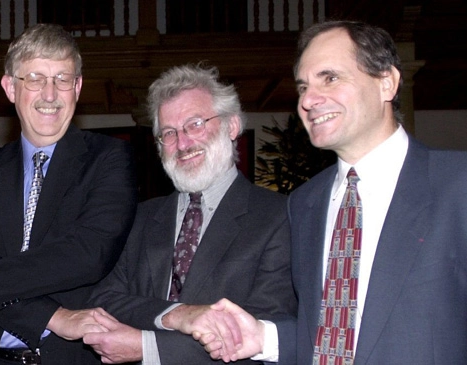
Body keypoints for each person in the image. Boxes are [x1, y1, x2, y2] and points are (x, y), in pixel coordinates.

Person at [196, 20, 467, 364]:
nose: (308, 100)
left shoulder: (457, 185)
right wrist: (264, 337)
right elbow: (333, 333)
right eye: (303, 87)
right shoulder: (306, 203)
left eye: (331, 78)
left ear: (387, 82)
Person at [0, 23, 138, 364]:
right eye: (35, 79)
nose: (50, 93)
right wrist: (54, 318)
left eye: (62, 79)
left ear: (78, 86)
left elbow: (87, 253)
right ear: (10, 87)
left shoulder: (108, 159)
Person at [82, 64, 296, 364]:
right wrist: (178, 316)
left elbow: (256, 338)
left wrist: (148, 346)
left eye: (195, 124)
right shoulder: (140, 218)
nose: (182, 144)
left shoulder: (279, 216)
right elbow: (103, 301)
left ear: (232, 126)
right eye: (168, 133)